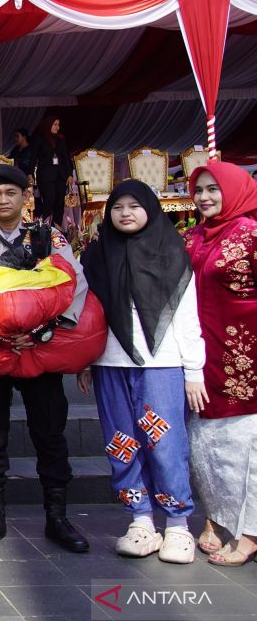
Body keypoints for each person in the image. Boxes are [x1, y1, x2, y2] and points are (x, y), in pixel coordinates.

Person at [78, 180, 204, 565]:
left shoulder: (172, 253)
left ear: (151, 208)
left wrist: (194, 369)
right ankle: (141, 520)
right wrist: (84, 358)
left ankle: (179, 525)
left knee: (165, 442)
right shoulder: (96, 256)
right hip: (110, 362)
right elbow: (85, 312)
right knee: (122, 441)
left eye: (135, 205)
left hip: (161, 363)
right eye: (118, 206)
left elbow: (186, 314)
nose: (126, 212)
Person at [0, 164, 89, 554]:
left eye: (10, 194)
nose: (3, 201)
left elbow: (74, 283)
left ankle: (57, 515)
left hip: (40, 348)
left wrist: (39, 331)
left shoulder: (47, 237)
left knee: (50, 431)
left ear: (25, 198)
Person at [184, 162, 257, 566]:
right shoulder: (193, 237)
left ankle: (249, 533)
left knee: (248, 448)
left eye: (215, 189)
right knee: (208, 445)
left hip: (247, 360)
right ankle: (216, 519)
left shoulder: (251, 233)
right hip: (203, 358)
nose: (205, 197)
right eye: (200, 190)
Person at [31, 115, 73, 225]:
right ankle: (46, 227)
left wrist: (70, 174)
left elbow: (66, 158)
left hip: (60, 175)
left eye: (58, 125)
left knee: (60, 202)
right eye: (55, 124)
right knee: (49, 200)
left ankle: (57, 229)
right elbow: (33, 158)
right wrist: (30, 174)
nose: (57, 127)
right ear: (48, 125)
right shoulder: (39, 139)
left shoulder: (61, 139)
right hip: (45, 176)